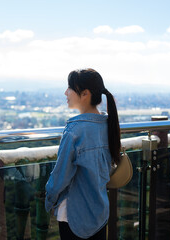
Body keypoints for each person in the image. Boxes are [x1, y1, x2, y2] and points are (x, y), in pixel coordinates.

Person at [45, 68, 121, 239]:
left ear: (85, 94)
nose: (66, 92)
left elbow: (60, 176)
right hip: (99, 212)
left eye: (70, 88)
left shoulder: (75, 131)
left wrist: (49, 198)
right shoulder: (107, 126)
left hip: (73, 216)